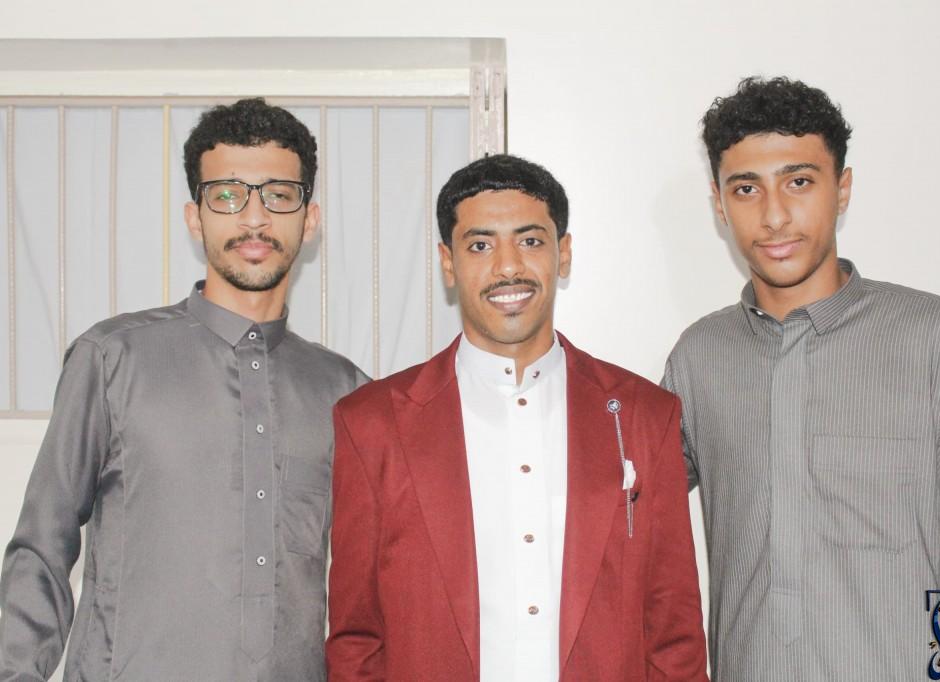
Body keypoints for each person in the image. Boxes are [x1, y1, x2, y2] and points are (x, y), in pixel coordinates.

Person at [662, 76, 940, 680]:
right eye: (747, 189)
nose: (774, 215)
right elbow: (624, 519)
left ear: (843, 189)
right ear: (720, 205)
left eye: (799, 182)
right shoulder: (699, 356)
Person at [0, 98, 367, 680]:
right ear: (195, 219)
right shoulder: (112, 358)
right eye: (227, 195)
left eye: (278, 195)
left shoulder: (346, 392)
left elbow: (374, 586)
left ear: (310, 218)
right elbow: (42, 547)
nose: (254, 218)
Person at [327, 154, 708, 681]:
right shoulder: (372, 423)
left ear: (563, 253)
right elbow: (356, 638)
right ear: (447, 262)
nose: (508, 267)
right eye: (480, 245)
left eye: (530, 240)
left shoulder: (646, 415)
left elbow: (675, 634)